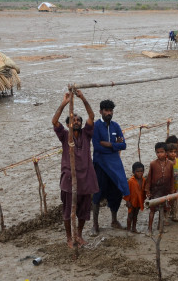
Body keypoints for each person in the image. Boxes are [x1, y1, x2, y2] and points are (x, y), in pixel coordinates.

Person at [51, 89, 99, 248]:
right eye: (73, 120)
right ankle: (69, 238)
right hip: (69, 177)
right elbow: (54, 121)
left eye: (79, 120)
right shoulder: (65, 136)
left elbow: (92, 116)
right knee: (67, 210)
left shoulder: (87, 134)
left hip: (86, 178)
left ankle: (78, 234)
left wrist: (83, 98)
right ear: (68, 124)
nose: (77, 121)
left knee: (84, 210)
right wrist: (64, 103)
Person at [91, 99, 129, 236]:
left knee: (117, 190)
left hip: (114, 164)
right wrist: (114, 145)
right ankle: (95, 224)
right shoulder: (96, 127)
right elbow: (97, 146)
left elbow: (123, 145)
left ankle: (114, 220)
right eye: (106, 110)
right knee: (98, 192)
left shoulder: (115, 126)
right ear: (100, 111)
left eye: (110, 110)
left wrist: (110, 145)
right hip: (100, 164)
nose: (108, 113)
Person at [145, 142, 174, 235]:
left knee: (163, 209)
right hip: (155, 189)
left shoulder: (170, 164)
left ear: (166, 153)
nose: (159, 154)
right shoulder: (153, 164)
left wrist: (172, 190)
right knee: (152, 209)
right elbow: (149, 178)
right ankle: (149, 228)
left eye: (161, 152)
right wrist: (148, 190)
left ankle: (160, 226)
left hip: (165, 189)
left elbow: (172, 178)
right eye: (157, 152)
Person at [123, 162, 146, 234]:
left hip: (139, 201)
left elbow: (144, 190)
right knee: (130, 215)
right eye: (137, 171)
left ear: (143, 171)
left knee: (136, 215)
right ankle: (128, 229)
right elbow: (127, 192)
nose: (139, 173)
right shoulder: (131, 181)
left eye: (141, 171)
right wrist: (127, 201)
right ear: (133, 172)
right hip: (132, 201)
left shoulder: (144, 180)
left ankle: (134, 228)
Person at [165, 143, 178, 222]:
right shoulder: (166, 162)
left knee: (176, 201)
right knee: (168, 202)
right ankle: (166, 218)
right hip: (168, 186)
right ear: (167, 153)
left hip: (175, 185)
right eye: (171, 152)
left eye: (175, 152)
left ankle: (175, 216)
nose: (173, 153)